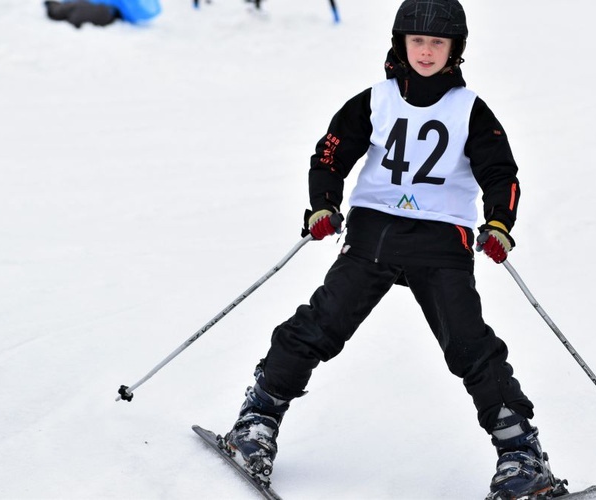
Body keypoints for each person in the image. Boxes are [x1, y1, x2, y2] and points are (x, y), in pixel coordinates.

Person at [219, 1, 564, 498]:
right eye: (417, 41)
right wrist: (323, 204)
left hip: (442, 241)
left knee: (470, 346)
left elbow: (499, 172)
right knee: (321, 324)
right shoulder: (375, 100)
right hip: (373, 234)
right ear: (401, 43)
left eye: (438, 44)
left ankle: (520, 455)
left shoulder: (470, 110)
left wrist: (498, 223)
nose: (426, 52)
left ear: (455, 51)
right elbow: (331, 152)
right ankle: (257, 420)